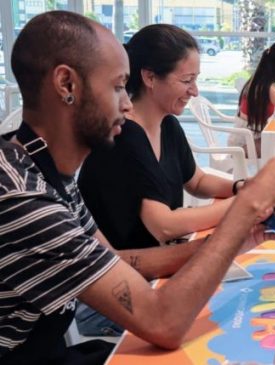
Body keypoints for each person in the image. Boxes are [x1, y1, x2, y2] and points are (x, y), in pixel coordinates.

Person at [0, 11, 275, 365]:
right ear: (66, 85)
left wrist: (237, 240)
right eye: (116, 87)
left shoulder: (48, 173)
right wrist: (245, 205)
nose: (127, 103)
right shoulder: (22, 197)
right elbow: (163, 322)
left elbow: (118, 260)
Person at [78, 24, 245, 250]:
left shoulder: (168, 125)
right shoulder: (124, 134)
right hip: (129, 268)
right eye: (187, 81)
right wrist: (246, 203)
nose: (195, 91)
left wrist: (241, 187)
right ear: (150, 77)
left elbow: (197, 181)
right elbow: (164, 226)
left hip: (157, 255)